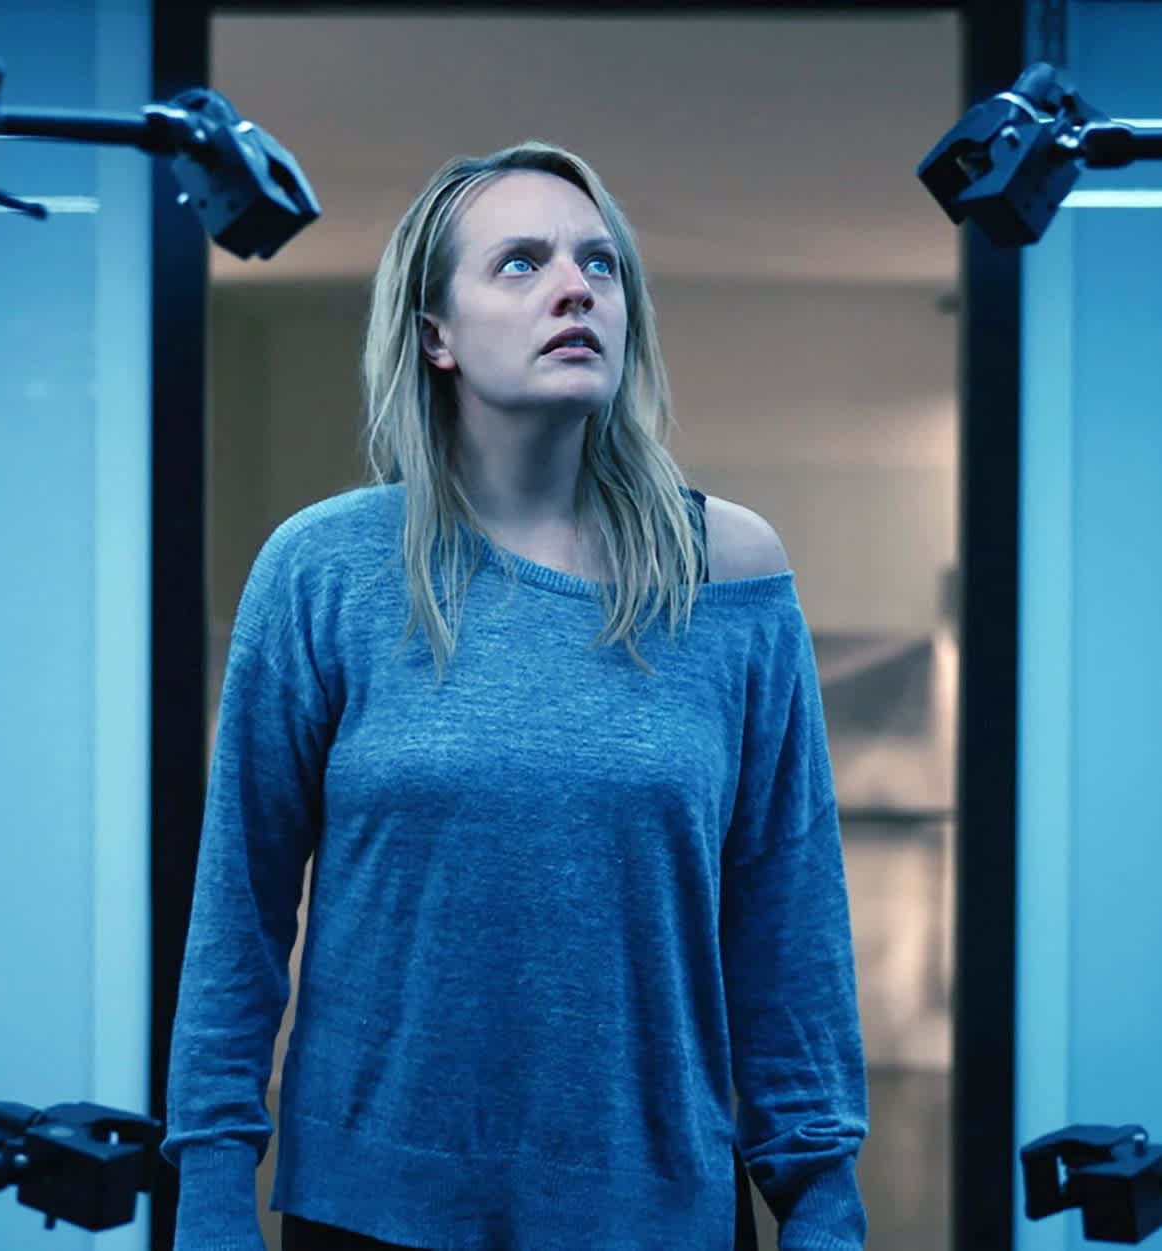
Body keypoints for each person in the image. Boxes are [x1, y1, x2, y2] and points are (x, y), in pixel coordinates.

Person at [162, 139, 869, 1251]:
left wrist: (822, 1203)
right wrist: (210, 1196)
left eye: (601, 262)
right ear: (434, 334)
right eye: (521, 262)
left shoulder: (726, 571)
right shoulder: (323, 571)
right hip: (373, 1214)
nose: (576, 287)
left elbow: (789, 922)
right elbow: (237, 910)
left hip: (654, 1215)